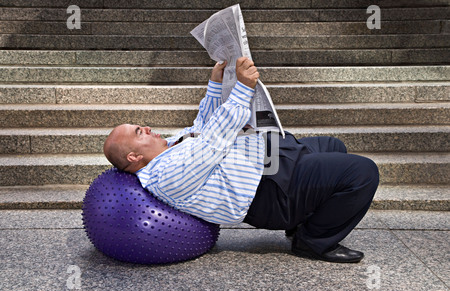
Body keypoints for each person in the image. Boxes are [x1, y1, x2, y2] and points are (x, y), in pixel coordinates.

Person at [103, 57, 379, 263]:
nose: (147, 128)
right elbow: (213, 140)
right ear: (134, 156)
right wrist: (243, 88)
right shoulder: (165, 175)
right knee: (362, 173)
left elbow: (202, 126)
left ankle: (301, 224)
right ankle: (313, 242)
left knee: (334, 146)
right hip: (269, 188)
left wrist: (215, 82)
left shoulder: (171, 145)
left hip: (268, 153)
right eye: (139, 132)